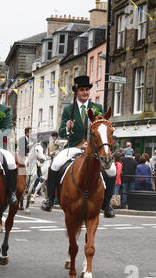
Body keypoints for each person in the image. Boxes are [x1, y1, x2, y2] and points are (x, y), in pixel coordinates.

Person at [42, 75, 116, 218]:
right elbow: (62, 131)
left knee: (112, 170)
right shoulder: (69, 109)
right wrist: (68, 128)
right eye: (82, 90)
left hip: (93, 150)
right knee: (55, 164)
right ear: (76, 91)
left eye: (87, 90)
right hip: (74, 147)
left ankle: (107, 205)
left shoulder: (97, 108)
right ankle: (50, 199)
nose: (85, 93)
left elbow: (103, 127)